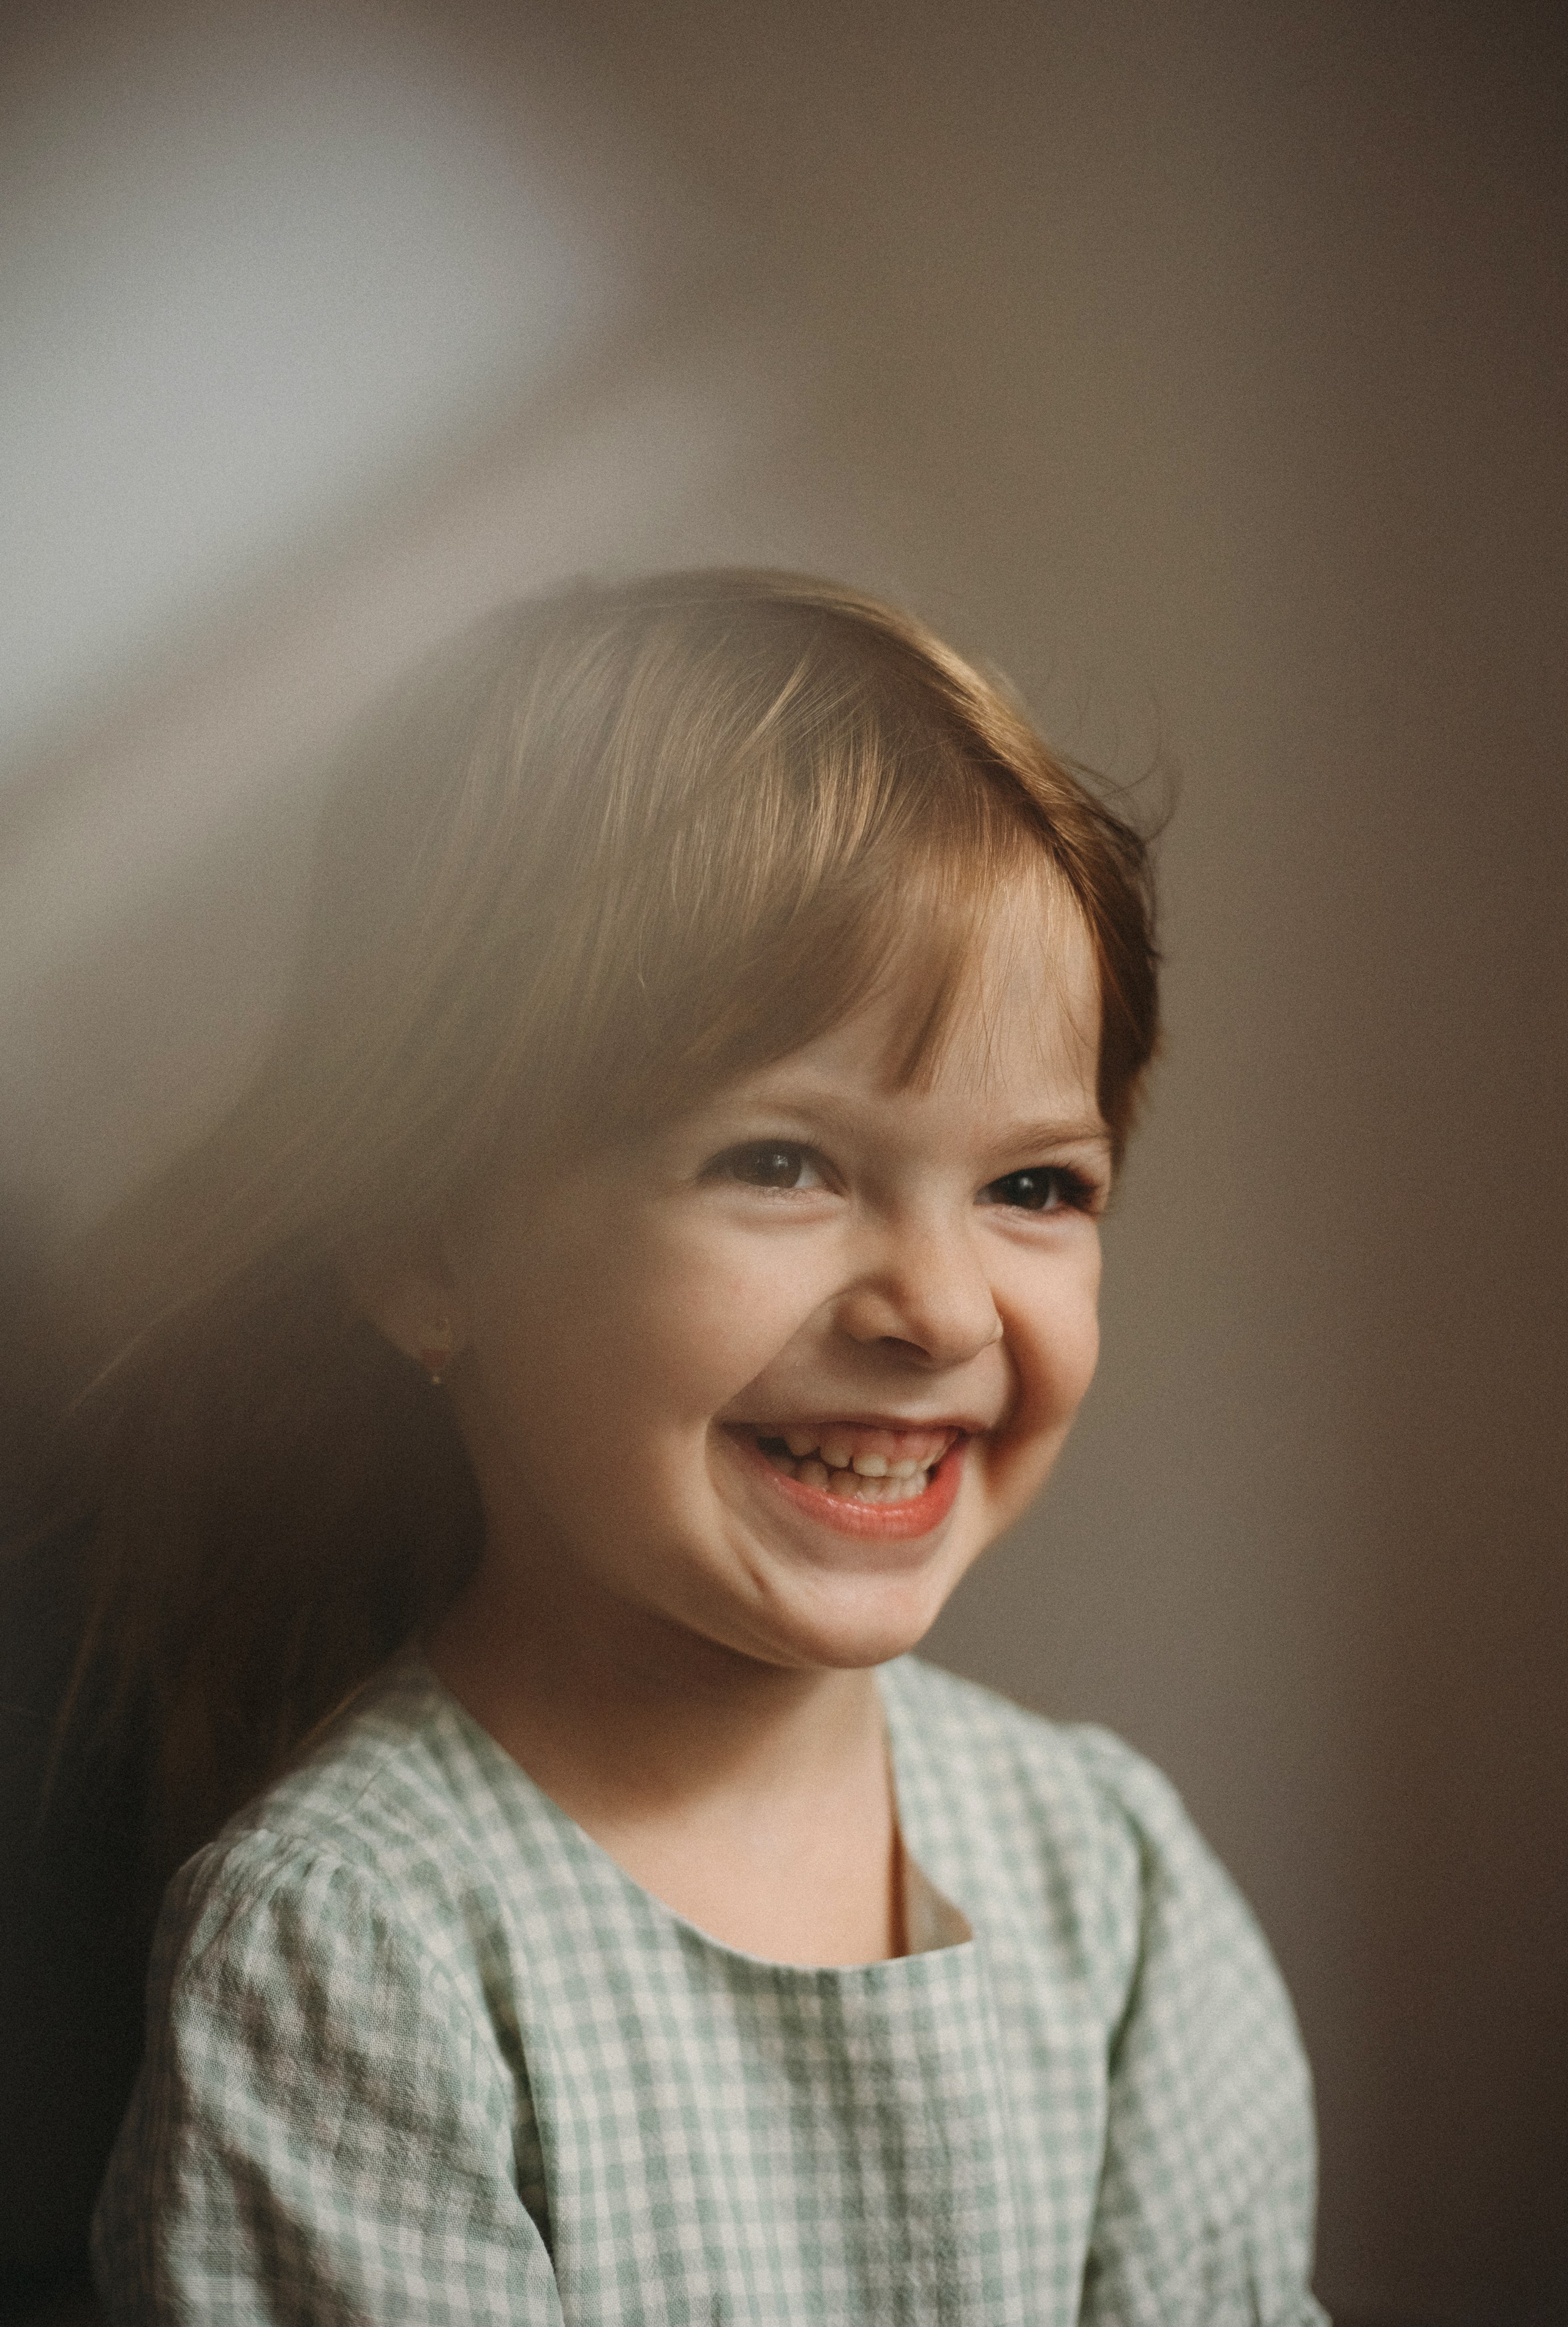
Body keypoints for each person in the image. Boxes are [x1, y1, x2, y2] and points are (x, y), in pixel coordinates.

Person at [58, 571, 1324, 2321]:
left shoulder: (1113, 1886)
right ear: (429, 1249)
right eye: (781, 1163)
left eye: (1034, 1186)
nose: (943, 1312)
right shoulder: (358, 1955)